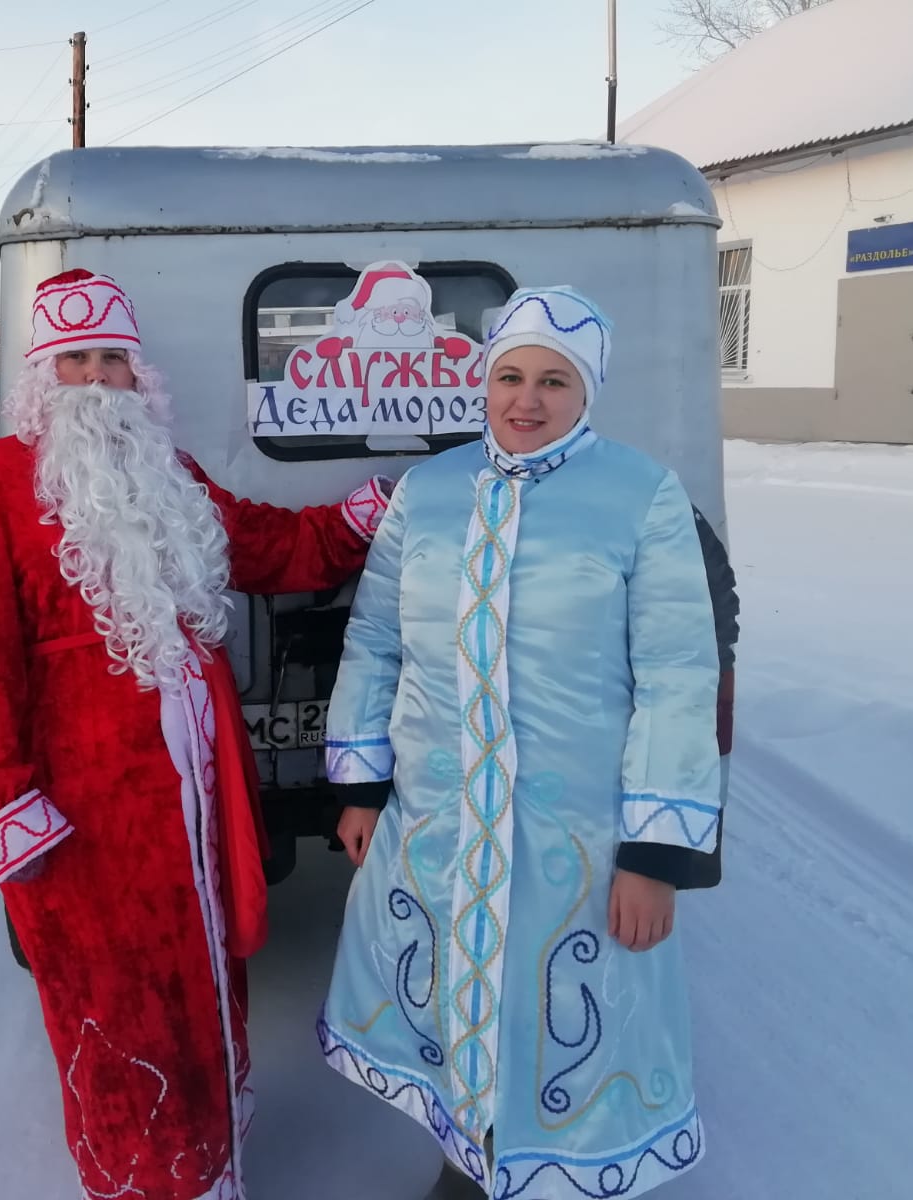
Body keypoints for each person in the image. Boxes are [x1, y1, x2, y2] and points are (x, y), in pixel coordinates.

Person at [0, 268, 391, 1200]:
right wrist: (3, 808)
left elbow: (265, 546)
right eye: (76, 361)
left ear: (141, 378)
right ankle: (151, 1177)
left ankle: (214, 1148)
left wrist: (361, 518)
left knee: (202, 972)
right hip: (84, 817)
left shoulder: (169, 474)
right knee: (117, 1001)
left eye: (113, 360)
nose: (97, 379)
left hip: (196, 801)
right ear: (43, 381)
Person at [319, 286, 727, 1199]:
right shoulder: (428, 493)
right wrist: (362, 782)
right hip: (441, 816)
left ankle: (558, 1175)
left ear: (588, 392)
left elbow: (675, 675)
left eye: (554, 380)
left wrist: (655, 854)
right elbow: (376, 640)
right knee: (458, 992)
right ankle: (470, 1162)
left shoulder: (642, 495)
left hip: (575, 833)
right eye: (510, 376)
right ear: (485, 381)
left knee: (556, 1020)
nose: (526, 400)